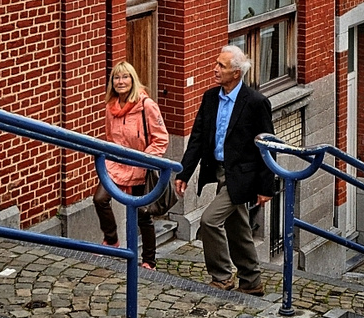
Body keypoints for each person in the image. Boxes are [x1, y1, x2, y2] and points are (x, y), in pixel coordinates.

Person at [174, 45, 275, 295]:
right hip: (218, 170)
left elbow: (267, 146)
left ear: (236, 73)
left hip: (242, 175)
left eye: (221, 66)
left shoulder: (256, 102)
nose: (215, 69)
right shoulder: (211, 97)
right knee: (237, 227)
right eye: (216, 63)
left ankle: (222, 277)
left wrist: (266, 187)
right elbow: (197, 138)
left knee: (209, 221)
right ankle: (252, 282)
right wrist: (184, 173)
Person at [94, 61, 169, 270]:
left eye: (125, 77)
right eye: (116, 78)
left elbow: (161, 138)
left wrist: (146, 159)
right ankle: (111, 239)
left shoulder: (146, 105)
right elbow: (110, 137)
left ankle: (149, 261)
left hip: (140, 165)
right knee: (100, 199)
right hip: (117, 164)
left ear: (133, 80)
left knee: (143, 215)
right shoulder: (111, 107)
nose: (120, 82)